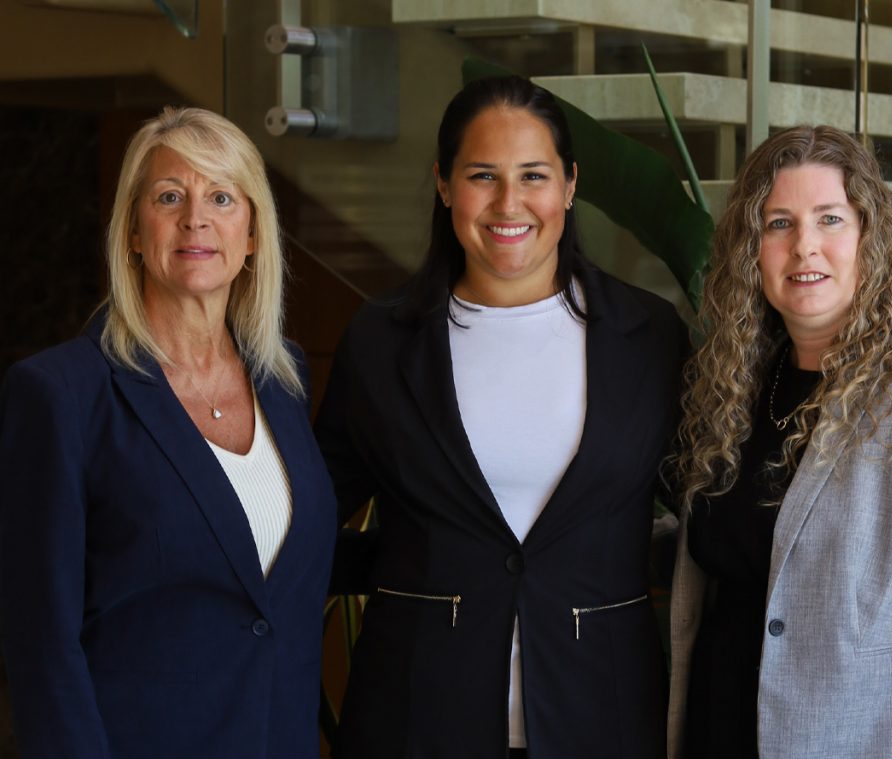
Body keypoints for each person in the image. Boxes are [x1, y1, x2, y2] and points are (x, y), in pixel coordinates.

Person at [315, 75, 687, 758]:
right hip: (414, 719)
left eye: (534, 175)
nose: (509, 202)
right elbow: (312, 515)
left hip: (602, 719)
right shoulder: (380, 340)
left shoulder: (649, 337)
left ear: (570, 186)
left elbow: (705, 511)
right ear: (444, 184)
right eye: (483, 175)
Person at [667, 124, 892, 758]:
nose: (804, 246)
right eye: (777, 224)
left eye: (829, 219)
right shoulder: (734, 382)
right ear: (751, 248)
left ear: (870, 235)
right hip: (716, 730)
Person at [0, 107, 338, 758]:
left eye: (220, 196)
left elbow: (271, 575)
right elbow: (42, 643)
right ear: (132, 229)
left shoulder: (284, 376)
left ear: (253, 233)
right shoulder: (61, 394)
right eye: (168, 196)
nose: (195, 219)